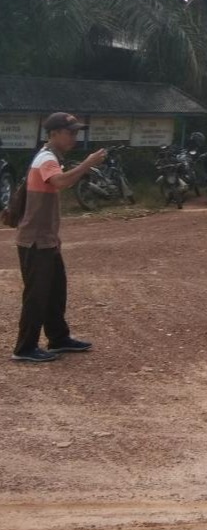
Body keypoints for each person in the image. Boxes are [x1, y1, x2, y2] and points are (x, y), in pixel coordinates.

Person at [12, 113, 108, 363]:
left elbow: (60, 181)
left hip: (46, 239)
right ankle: (24, 348)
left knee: (55, 291)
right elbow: (61, 182)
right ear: (54, 133)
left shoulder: (51, 157)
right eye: (70, 132)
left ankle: (58, 338)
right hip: (36, 240)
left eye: (76, 132)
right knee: (37, 295)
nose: (74, 137)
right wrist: (87, 163)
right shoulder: (46, 158)